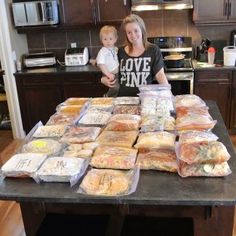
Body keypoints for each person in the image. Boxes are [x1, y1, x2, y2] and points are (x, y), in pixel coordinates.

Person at [101, 14, 169, 96]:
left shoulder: (153, 50)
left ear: (142, 30)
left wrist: (168, 94)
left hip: (145, 99)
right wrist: (103, 79)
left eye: (136, 30)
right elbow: (109, 71)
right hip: (123, 100)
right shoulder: (119, 52)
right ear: (126, 35)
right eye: (129, 32)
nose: (133, 35)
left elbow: (160, 75)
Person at [96, 25, 119, 97]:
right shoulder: (102, 51)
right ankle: (107, 96)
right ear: (101, 40)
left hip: (118, 73)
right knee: (115, 87)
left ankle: (114, 99)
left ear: (115, 39)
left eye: (110, 39)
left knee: (119, 88)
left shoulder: (116, 49)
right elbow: (101, 64)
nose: (108, 41)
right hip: (110, 73)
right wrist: (108, 74)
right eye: (105, 39)